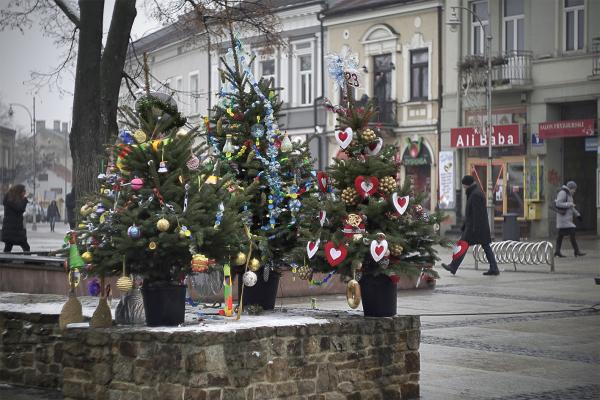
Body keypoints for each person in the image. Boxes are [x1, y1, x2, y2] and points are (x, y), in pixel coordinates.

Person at [441, 175, 499, 276]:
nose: (463, 187)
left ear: (467, 184)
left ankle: (453, 266)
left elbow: (477, 214)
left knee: (462, 246)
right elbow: (471, 213)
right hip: (477, 227)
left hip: (475, 227)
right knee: (485, 246)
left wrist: (473, 228)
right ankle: (494, 268)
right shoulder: (474, 192)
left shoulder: (475, 194)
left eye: (464, 185)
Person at [554, 181, 585, 257]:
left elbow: (571, 207)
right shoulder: (563, 193)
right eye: (574, 189)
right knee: (572, 232)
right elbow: (558, 203)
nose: (575, 191)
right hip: (563, 219)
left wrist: (578, 215)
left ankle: (557, 251)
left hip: (566, 219)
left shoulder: (569, 195)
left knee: (560, 236)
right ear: (570, 188)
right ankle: (576, 251)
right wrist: (569, 204)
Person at [1, 184, 31, 253]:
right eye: (24, 191)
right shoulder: (11, 200)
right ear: (19, 191)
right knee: (25, 246)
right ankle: (28, 261)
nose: (25, 193)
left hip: (11, 229)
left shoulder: (11, 199)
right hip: (14, 229)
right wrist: (25, 201)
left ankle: (5, 261)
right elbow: (20, 209)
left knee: (8, 247)